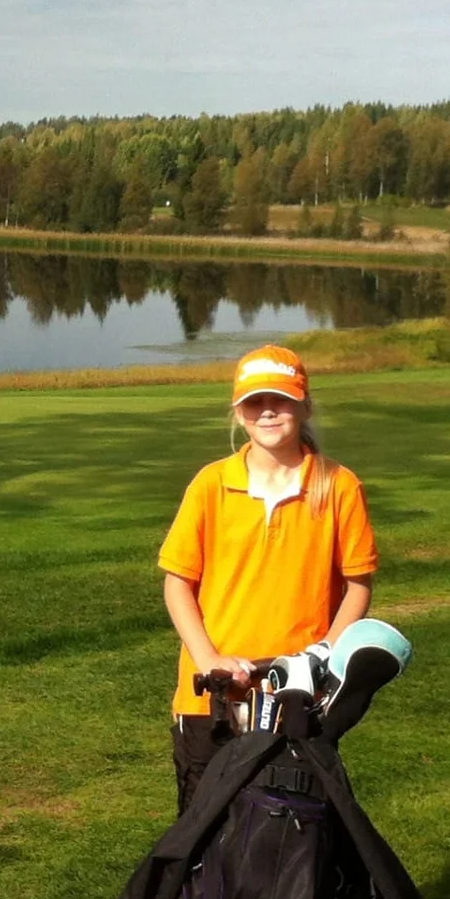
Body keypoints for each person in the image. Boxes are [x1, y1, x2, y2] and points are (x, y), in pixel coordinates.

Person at [157, 344, 378, 810]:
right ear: (239, 413)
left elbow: (358, 587)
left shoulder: (339, 486)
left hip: (297, 697)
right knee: (204, 834)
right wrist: (209, 659)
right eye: (255, 401)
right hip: (211, 700)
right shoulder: (211, 485)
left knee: (294, 833)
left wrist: (321, 657)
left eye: (281, 399)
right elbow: (178, 584)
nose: (268, 411)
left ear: (305, 406)